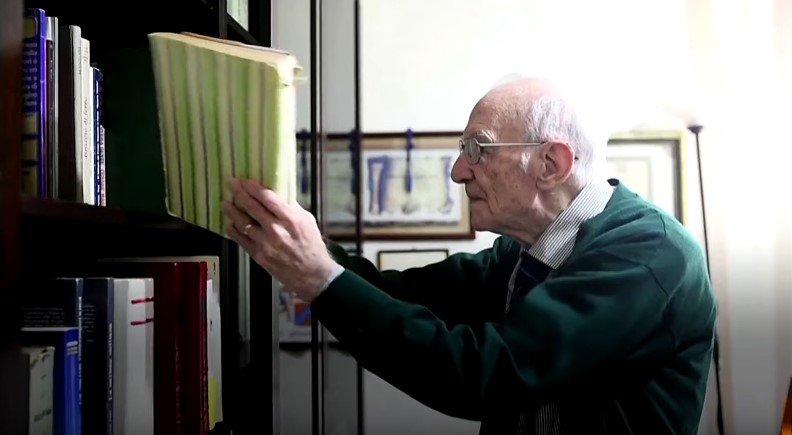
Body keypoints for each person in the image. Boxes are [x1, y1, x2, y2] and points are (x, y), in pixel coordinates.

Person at [221, 77, 717, 434]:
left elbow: (484, 375)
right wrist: (297, 239)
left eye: (477, 150)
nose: (458, 172)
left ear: (551, 163)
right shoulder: (523, 253)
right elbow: (395, 293)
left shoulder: (650, 254)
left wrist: (321, 280)